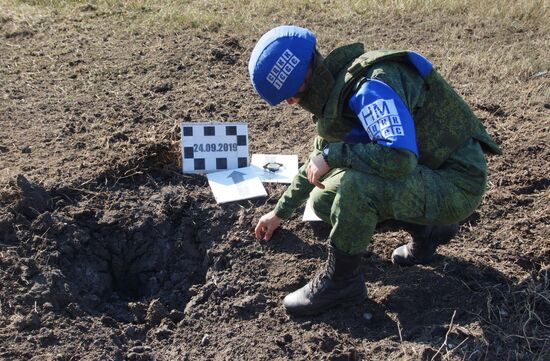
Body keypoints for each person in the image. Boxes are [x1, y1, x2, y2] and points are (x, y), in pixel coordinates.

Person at [248, 25, 501, 316]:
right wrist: (279, 213)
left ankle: (342, 282)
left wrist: (335, 154)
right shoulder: (338, 93)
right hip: (428, 173)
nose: (293, 103)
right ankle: (429, 229)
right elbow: (316, 159)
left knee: (357, 184)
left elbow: (399, 158)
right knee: (324, 200)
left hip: (457, 184)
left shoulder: (370, 87)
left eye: (292, 96)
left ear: (306, 79)